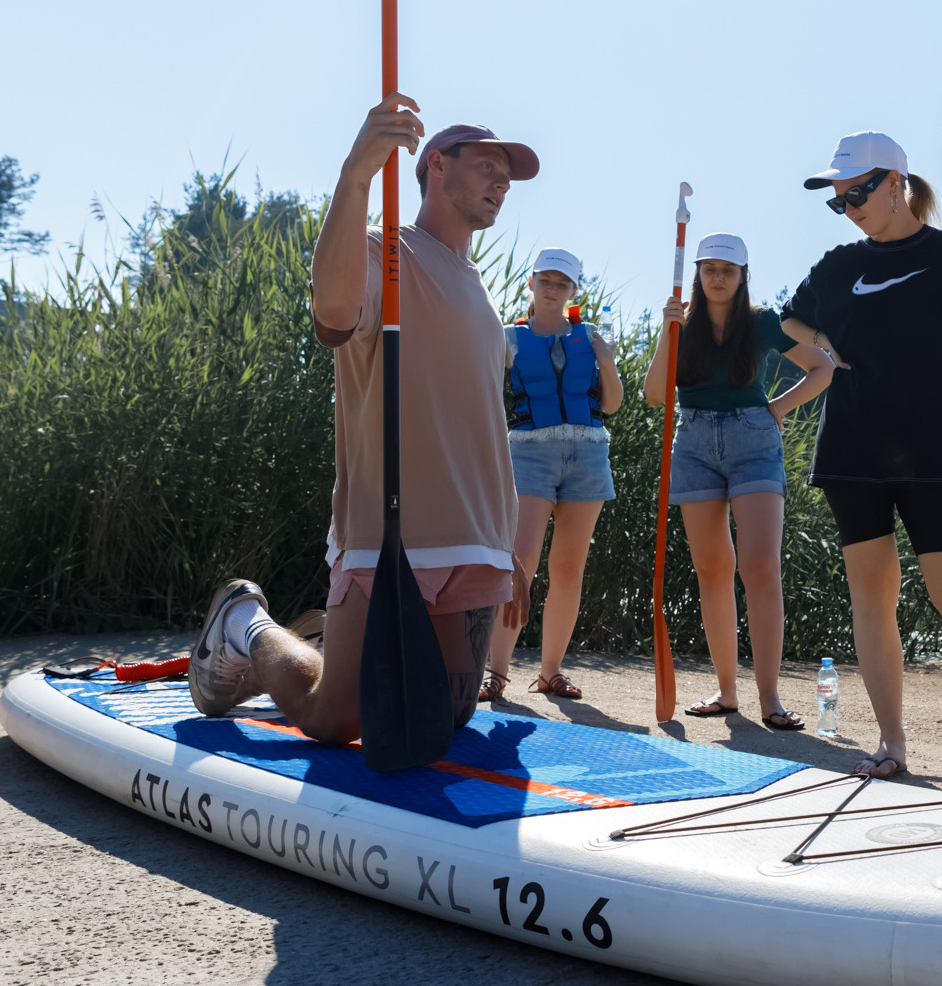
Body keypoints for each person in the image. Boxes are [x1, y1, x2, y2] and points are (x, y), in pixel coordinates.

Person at [188, 105, 536, 743]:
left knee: (448, 713)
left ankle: (329, 635)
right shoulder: (386, 251)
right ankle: (247, 624)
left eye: (506, 175)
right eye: (488, 166)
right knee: (336, 718)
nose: (501, 182)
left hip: (477, 533)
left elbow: (482, 419)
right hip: (391, 530)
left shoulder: (479, 285)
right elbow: (333, 311)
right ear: (435, 164)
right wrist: (356, 176)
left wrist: (506, 540)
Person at [778, 132, 942, 790]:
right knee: (873, 592)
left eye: (859, 192)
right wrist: (826, 356)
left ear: (896, 182)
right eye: (840, 201)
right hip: (853, 448)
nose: (851, 206)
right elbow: (790, 324)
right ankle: (891, 742)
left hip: (933, 448)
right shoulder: (838, 266)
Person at [643, 232, 834, 729]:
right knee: (711, 569)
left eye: (728, 269)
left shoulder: (762, 322)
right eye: (709, 268)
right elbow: (655, 395)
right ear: (699, 275)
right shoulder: (681, 324)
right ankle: (728, 694)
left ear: (743, 276)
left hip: (754, 441)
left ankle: (769, 699)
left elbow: (822, 368)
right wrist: (668, 331)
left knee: (759, 566)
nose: (718, 277)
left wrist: (776, 409)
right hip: (694, 442)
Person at [479, 246, 624, 703]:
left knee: (568, 568)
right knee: (520, 563)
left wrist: (607, 360)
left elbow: (613, 403)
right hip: (529, 454)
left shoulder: (592, 336)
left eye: (562, 283)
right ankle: (495, 674)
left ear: (574, 290)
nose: (553, 289)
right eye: (546, 280)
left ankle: (551, 673)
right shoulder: (508, 338)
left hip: (588, 453)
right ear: (531, 282)